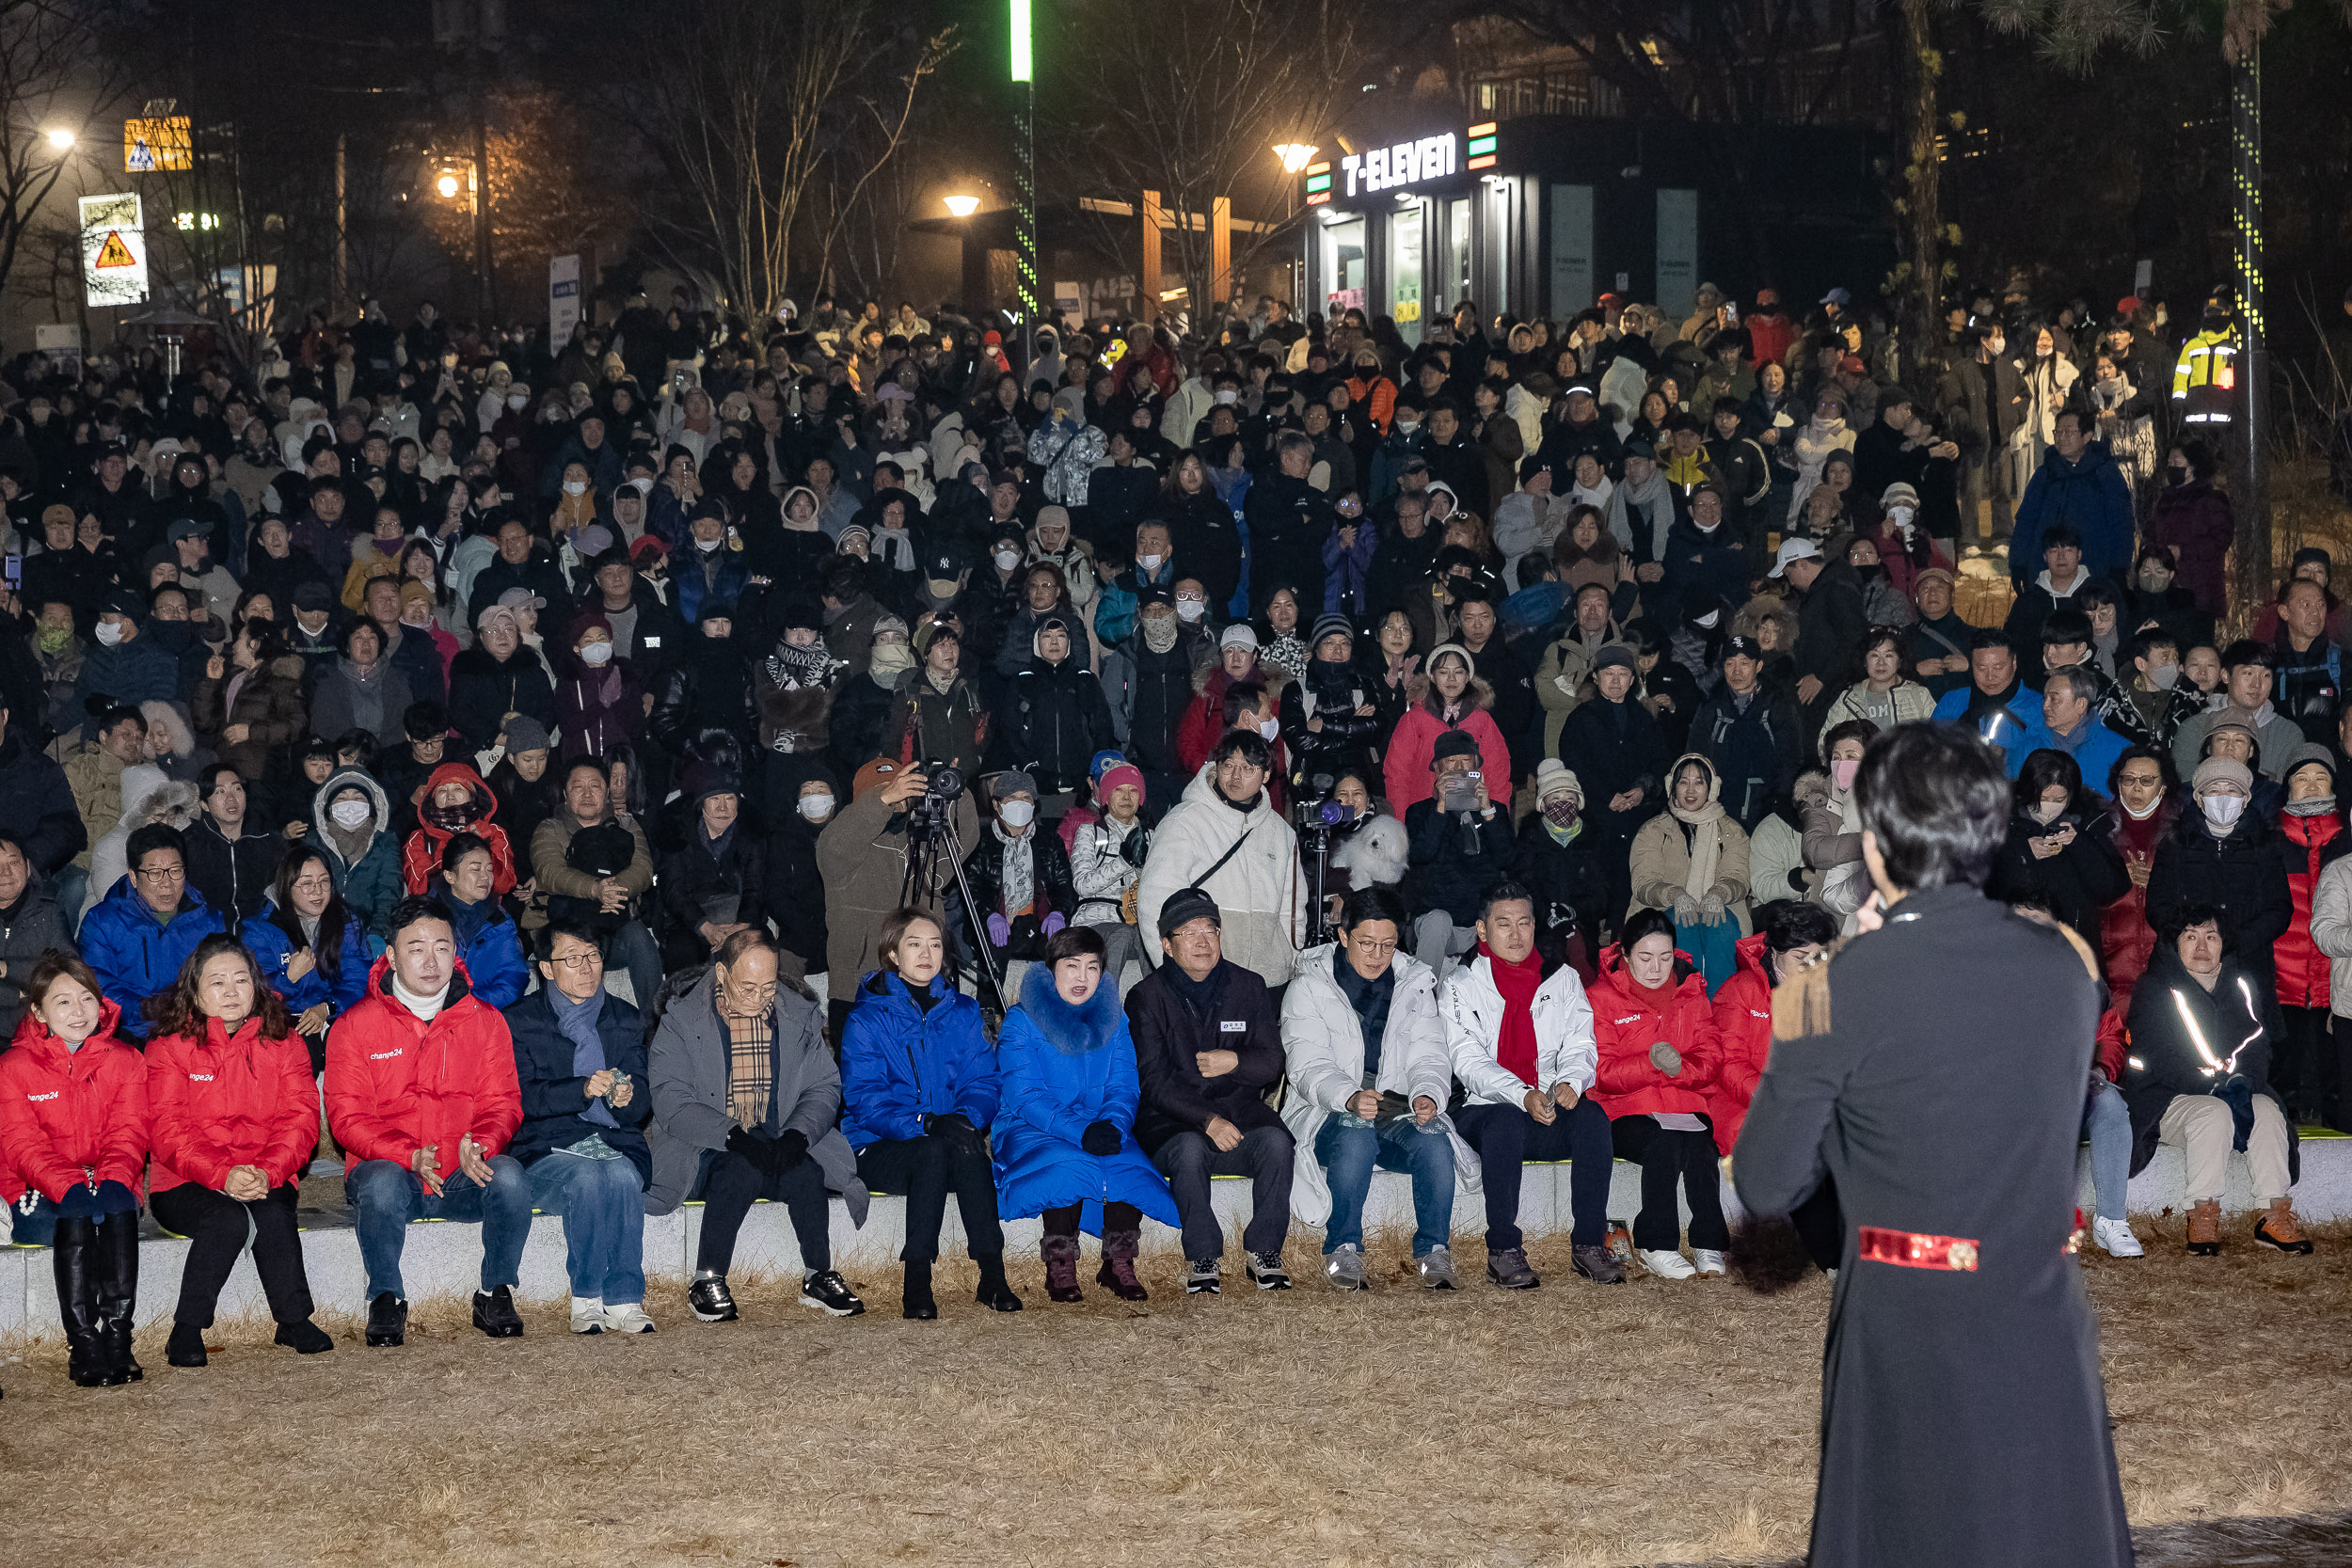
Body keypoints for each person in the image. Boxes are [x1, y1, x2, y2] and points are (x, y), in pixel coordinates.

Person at [1734, 721, 2133, 1568]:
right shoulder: (2067, 969)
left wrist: (1833, 976)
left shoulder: (1829, 987)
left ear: (1877, 845)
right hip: (2039, 1308)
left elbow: (1768, 1179)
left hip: (1910, 1317)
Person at [326, 895, 532, 1349]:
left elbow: (504, 1102)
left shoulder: (485, 1020)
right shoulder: (356, 1026)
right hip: (392, 1172)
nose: (431, 960)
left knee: (511, 1176)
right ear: (392, 956)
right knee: (379, 1181)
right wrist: (407, 1155)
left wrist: (479, 1143)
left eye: (441, 947)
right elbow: (346, 1117)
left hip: (459, 1174)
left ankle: (495, 1290)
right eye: (416, 948)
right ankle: (385, 1296)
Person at [644, 929, 867, 1323]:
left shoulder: (797, 1015)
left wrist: (798, 1135)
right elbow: (671, 1101)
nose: (760, 997)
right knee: (739, 1167)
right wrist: (733, 1136)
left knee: (806, 1172)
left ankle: (818, 1274)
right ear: (721, 974)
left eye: (768, 986)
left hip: (779, 1134)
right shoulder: (682, 1020)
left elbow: (823, 1087)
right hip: (706, 1145)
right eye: (748, 987)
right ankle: (706, 1278)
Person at [142, 935, 335, 1367]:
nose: (231, 992)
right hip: (187, 1180)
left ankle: (293, 1320)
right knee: (227, 1218)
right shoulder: (169, 1047)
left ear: (257, 986)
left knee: (271, 1210)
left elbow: (300, 1122)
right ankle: (186, 1330)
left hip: (265, 1170)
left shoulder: (283, 1042)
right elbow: (167, 1131)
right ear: (194, 991)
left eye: (241, 980)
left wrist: (267, 1171)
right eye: (217, 983)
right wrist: (222, 1175)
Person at [841, 907, 1022, 1319]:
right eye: (914, 944)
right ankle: (916, 1281)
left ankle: (992, 1276)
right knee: (934, 1149)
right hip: (879, 1144)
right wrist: (926, 1122)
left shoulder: (961, 1011)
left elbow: (984, 1081)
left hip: (942, 1135)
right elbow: (865, 1099)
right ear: (892, 954)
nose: (927, 953)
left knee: (966, 1145)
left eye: (936, 944)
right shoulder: (867, 1018)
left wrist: (966, 1119)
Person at [1279, 886, 1463, 1291]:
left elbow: (1429, 1055)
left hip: (1394, 1106)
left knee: (1434, 1138)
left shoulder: (1414, 983)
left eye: (1388, 945)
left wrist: (1427, 1093)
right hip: (1325, 1109)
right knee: (1355, 1131)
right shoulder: (1309, 986)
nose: (1377, 956)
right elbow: (1308, 1066)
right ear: (1343, 936)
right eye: (1366, 943)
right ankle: (1343, 1247)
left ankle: (1434, 1250)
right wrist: (1348, 1095)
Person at [1444, 879, 1622, 1287]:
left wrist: (1570, 1084)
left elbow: (1581, 1042)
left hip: (1545, 1105)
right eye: (1503, 924)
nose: (1516, 934)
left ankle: (1589, 1244)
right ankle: (1503, 1249)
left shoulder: (1561, 978)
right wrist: (1520, 1094)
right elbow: (1468, 1061)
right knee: (1504, 1121)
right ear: (1483, 930)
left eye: (1524, 923)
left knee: (1593, 1117)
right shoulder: (1460, 983)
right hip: (1483, 1108)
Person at [991, 925, 1178, 1303]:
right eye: (1071, 966)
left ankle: (1119, 1261)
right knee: (1067, 1162)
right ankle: (1060, 1263)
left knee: (1126, 1160)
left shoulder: (1115, 1019)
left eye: (1092, 967)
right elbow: (1025, 1096)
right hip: (1031, 1126)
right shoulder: (1022, 1021)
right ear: (1052, 969)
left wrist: (1112, 1124)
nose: (1082, 977)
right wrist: (1080, 1132)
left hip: (1099, 1120)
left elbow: (1125, 1086)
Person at [1124, 886, 1295, 1293]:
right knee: (1187, 1149)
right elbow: (1153, 1082)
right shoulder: (1146, 998)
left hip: (1239, 1111)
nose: (1203, 940)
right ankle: (1202, 1256)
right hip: (1173, 1121)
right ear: (1166, 945)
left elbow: (1273, 1062)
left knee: (1277, 1142)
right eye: (1188, 932)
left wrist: (1235, 1061)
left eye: (1210, 929)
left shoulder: (1249, 986)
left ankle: (1264, 1250)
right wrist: (1207, 1120)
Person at [2123, 911, 2312, 1256]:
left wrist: (2241, 1081)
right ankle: (2203, 1215)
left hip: (2232, 1090)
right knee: (2213, 1112)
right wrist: (2215, 1084)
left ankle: (2272, 1215)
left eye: (2211, 936)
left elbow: (2258, 1044)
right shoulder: (2152, 988)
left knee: (2269, 1110)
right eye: (2190, 936)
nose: (2201, 946)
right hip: (2168, 1098)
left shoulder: (2241, 985)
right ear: (2174, 943)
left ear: (2223, 944)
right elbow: (2158, 1056)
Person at [0, 953, 148, 1386]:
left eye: (87, 999)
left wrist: (117, 1178)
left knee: (117, 1207)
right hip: (36, 1184)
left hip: (104, 1176)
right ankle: (83, 1345)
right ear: (38, 1011)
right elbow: (20, 1144)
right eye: (62, 1002)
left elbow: (130, 1130)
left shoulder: (125, 1060)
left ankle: (118, 1340)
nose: (78, 1012)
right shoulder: (13, 1068)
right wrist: (68, 1186)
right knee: (79, 1215)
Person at [504, 920, 657, 1334]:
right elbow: (522, 1099)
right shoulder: (519, 1021)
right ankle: (587, 1298)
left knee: (623, 1174)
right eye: (572, 959)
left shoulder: (624, 1018)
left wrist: (627, 1098)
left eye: (593, 956)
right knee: (588, 1178)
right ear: (548, 969)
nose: (587, 968)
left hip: (613, 1139)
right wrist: (582, 1090)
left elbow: (643, 1095)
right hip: (546, 1146)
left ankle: (625, 1299)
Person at [1586, 907, 1728, 1278]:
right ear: (1625, 955)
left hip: (1683, 1103)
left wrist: (1680, 1068)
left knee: (1701, 1146)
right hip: (1625, 1111)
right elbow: (1600, 1072)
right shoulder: (1602, 997)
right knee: (1664, 1143)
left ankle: (1708, 1242)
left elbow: (1711, 1057)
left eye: (1665, 957)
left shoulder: (1692, 992)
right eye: (1645, 958)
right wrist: (1651, 1064)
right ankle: (1656, 1243)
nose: (1656, 968)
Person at [1135, 730, 1309, 990]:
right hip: (1205, 978)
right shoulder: (1184, 821)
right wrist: (1173, 972)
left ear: (1266, 775)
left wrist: (1290, 960)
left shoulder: (1281, 832)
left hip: (1269, 981)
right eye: (1228, 765)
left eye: (1248, 768)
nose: (1235, 776)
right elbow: (1155, 899)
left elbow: (1292, 907)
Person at [2146, 754, 2292, 998]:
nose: (2223, 798)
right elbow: (2157, 905)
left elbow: (2279, 908)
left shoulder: (2265, 845)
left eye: (2232, 790)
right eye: (2213, 790)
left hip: (2247, 966)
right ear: (2200, 800)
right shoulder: (2175, 843)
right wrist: (2192, 938)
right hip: (2183, 966)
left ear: (2245, 800)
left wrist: (2237, 941)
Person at [78, 822, 228, 1043]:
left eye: (175, 871)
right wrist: (147, 1008)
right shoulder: (101, 922)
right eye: (155, 873)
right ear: (133, 878)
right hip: (129, 1034)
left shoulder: (209, 921)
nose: (167, 884)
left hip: (194, 1030)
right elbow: (97, 986)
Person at [531, 757, 660, 1009]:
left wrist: (610, 891)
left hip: (615, 926)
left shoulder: (626, 824)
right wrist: (595, 889)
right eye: (578, 787)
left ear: (608, 793)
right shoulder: (550, 828)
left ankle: (655, 1024)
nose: (587, 794)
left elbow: (643, 869)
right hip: (568, 931)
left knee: (638, 935)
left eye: (596, 786)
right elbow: (550, 872)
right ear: (566, 794)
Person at [1628, 752, 1752, 989]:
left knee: (1721, 926)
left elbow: (1738, 877)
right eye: (1683, 782)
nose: (1691, 790)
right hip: (1664, 908)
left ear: (1711, 788)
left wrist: (1719, 893)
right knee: (1678, 923)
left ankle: (1721, 1007)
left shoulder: (1731, 831)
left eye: (1699, 782)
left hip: (1720, 906)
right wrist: (1675, 894)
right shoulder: (1654, 830)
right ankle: (1685, 1006)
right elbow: (1644, 882)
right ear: (1672, 787)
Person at [1986, 750, 2129, 951]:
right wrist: (2022, 852)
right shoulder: (1998, 823)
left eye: (2059, 800)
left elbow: (2112, 887)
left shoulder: (2089, 822)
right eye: (2044, 798)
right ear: (2029, 791)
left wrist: (2080, 844)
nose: (2050, 807)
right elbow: (1983, 886)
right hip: (2011, 946)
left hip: (2074, 945)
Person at [1403, 729, 1517, 982]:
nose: (1458, 768)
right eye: (1450, 762)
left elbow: (1506, 858)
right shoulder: (1420, 812)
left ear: (1476, 766)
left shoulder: (1493, 811)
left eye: (1465, 761)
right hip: (1436, 917)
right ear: (1437, 769)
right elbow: (1422, 853)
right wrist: (1441, 806)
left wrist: (1487, 810)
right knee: (1438, 921)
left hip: (1479, 920)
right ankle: (1419, 998)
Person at [243, 845, 373, 1063]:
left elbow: (357, 981)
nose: (318, 891)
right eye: (306, 884)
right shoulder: (261, 930)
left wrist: (328, 1007)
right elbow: (253, 993)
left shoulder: (346, 922)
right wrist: (288, 977)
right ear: (287, 887)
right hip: (283, 1019)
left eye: (324, 881)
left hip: (332, 1012)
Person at [1382, 641, 1512, 814]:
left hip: (1473, 813)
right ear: (1433, 676)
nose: (1451, 679)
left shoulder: (1482, 720)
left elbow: (1499, 774)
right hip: (1424, 813)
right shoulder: (1414, 719)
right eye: (1443, 672)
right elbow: (1397, 776)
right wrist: (1401, 823)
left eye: (1458, 672)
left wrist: (1496, 817)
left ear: (1467, 677)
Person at [183, 763, 287, 933]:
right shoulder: (188, 844)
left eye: (237, 789)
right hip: (206, 936)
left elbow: (283, 895)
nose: (231, 798)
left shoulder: (269, 841)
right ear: (204, 805)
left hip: (260, 937)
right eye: (220, 792)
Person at [0, 831, 74, 1036]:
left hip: (35, 1033)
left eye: (13, 863)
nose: (4, 872)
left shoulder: (49, 913)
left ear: (27, 868)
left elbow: (67, 971)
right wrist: (18, 994)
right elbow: (45, 974)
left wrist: (7, 968)